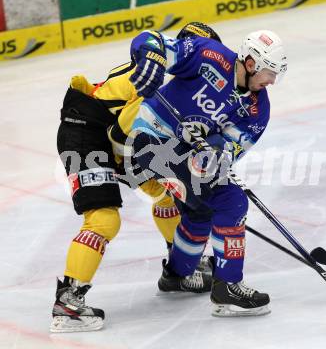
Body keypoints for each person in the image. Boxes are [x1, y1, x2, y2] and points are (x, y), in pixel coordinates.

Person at [50, 23, 222, 333]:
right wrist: (170, 161)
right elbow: (122, 137)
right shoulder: (164, 83)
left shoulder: (174, 76)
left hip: (116, 137)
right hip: (87, 133)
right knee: (103, 220)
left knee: (167, 195)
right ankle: (68, 302)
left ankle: (180, 268)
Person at [127, 28, 287, 316]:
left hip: (185, 155)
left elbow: (231, 150)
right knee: (231, 201)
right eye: (270, 72)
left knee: (200, 209)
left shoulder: (257, 109)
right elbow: (151, 40)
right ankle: (228, 286)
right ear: (250, 63)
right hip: (151, 139)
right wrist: (150, 60)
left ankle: (177, 274)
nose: (272, 81)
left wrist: (216, 154)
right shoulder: (209, 56)